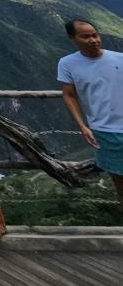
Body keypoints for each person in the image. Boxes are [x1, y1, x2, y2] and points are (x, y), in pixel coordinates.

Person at [58, 19, 123, 203]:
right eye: (86, 37)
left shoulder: (120, 58)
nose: (93, 40)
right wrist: (82, 126)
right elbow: (69, 95)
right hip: (104, 131)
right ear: (72, 38)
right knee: (120, 185)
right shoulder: (67, 64)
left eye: (95, 35)